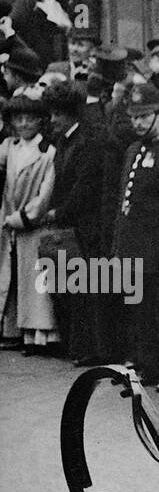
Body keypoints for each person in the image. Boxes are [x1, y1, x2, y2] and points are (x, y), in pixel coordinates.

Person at [110, 82, 159, 389]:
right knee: (139, 312)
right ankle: (147, 366)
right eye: (134, 117)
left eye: (145, 116)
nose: (138, 122)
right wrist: (118, 248)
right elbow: (123, 205)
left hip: (157, 252)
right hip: (133, 250)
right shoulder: (132, 150)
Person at [40, 80, 105, 364]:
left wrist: (59, 212)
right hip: (71, 225)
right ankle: (78, 347)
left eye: (58, 114)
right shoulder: (65, 141)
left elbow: (84, 187)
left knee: (84, 291)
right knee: (70, 289)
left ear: (72, 113)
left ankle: (88, 349)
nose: (53, 119)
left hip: (85, 225)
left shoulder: (86, 141)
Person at [0, 89, 57, 353]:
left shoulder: (47, 151)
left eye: (29, 118)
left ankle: (41, 335)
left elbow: (45, 193)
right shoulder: (8, 148)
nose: (23, 124)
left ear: (40, 121)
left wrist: (21, 218)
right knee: (12, 279)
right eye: (18, 118)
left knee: (36, 281)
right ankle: (14, 330)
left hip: (32, 224)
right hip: (8, 221)